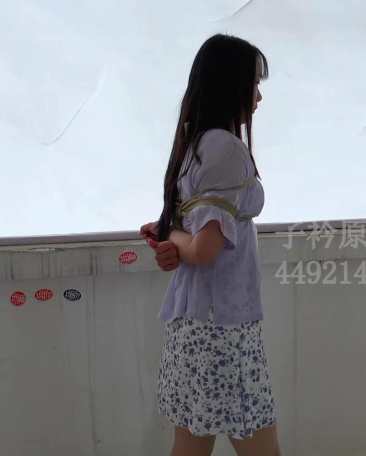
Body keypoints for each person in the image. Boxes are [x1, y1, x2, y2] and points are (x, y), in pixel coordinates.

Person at [139, 34, 281, 456]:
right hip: (225, 329)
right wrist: (172, 235)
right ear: (228, 84)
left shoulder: (195, 143)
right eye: (252, 83)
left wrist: (169, 235)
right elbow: (204, 248)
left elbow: (190, 237)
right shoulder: (224, 148)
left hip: (197, 324)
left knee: (190, 446)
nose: (258, 96)